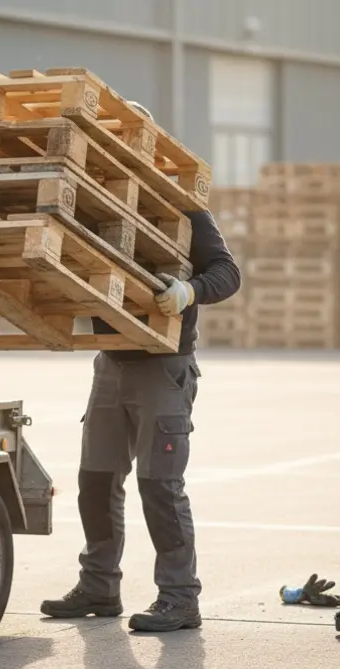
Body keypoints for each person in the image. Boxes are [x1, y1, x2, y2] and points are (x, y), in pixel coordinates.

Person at [41, 105, 242, 632]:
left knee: (160, 485)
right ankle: (99, 586)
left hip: (164, 368)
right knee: (95, 480)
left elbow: (228, 271)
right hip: (111, 363)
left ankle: (180, 598)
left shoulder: (181, 207)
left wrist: (190, 289)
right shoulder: (92, 201)